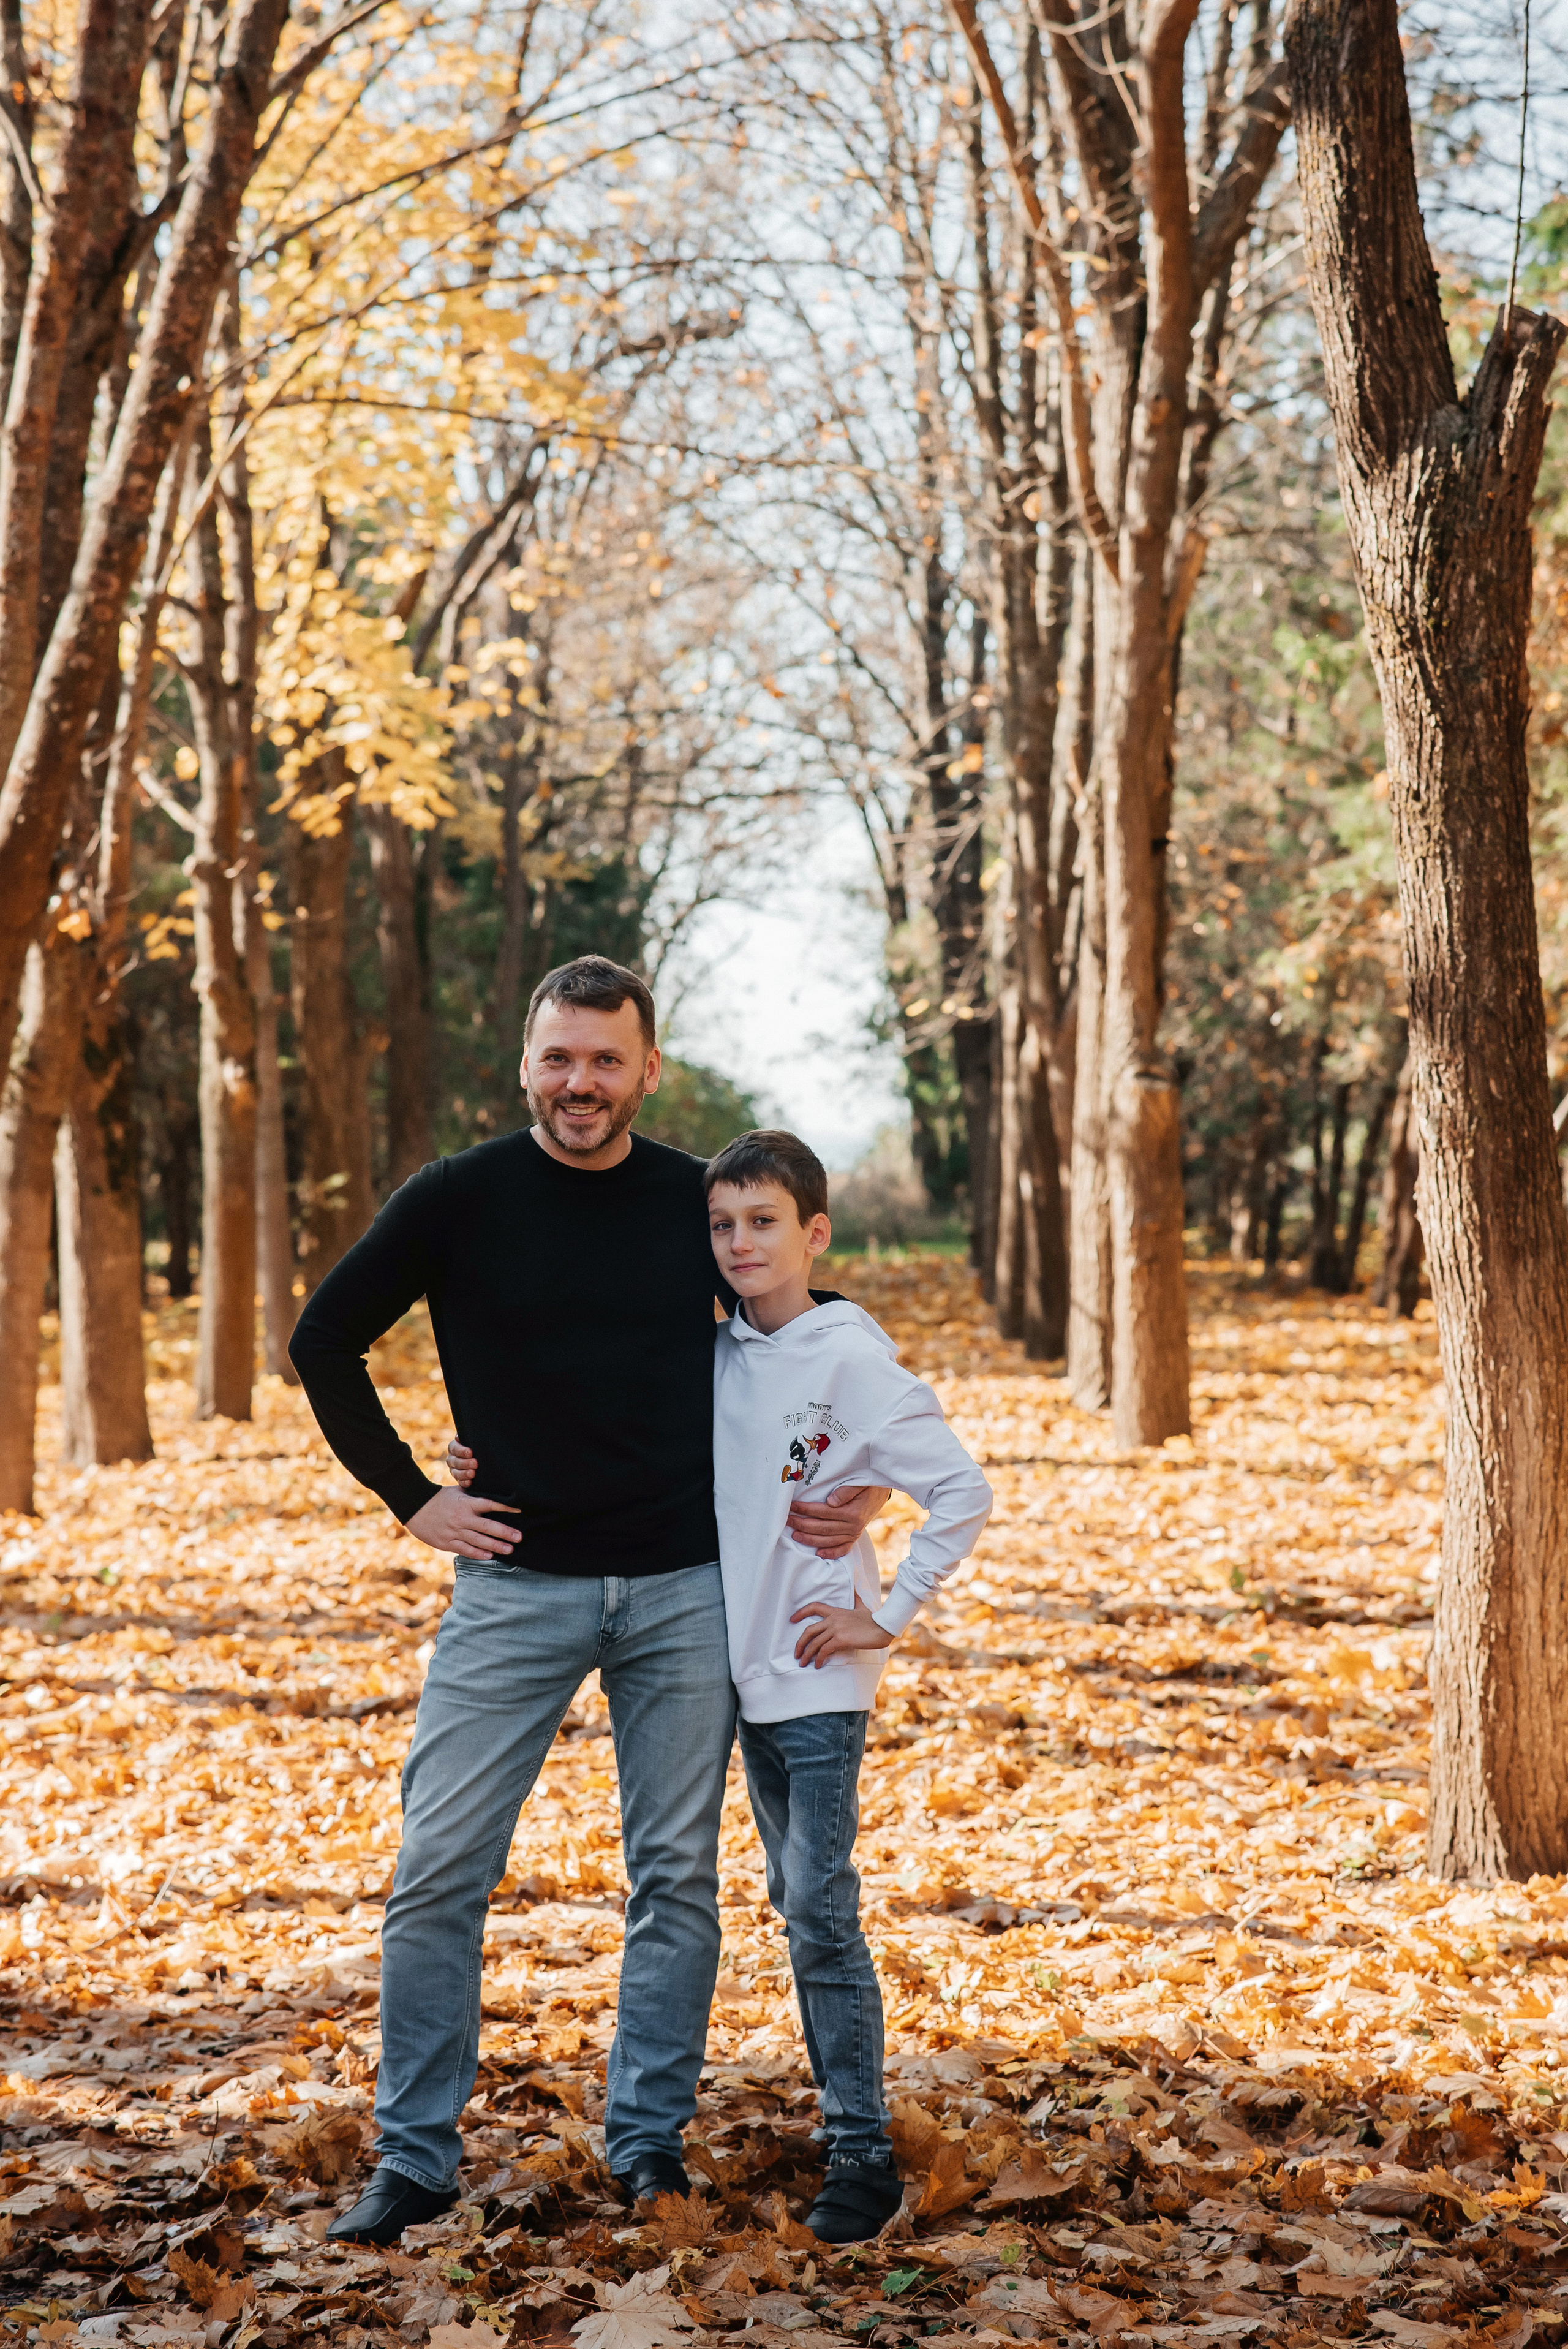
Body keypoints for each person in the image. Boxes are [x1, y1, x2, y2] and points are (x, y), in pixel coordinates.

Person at [287, 957, 888, 2247]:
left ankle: (645, 2146)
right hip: (511, 1586)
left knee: (674, 1879)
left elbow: (806, 1332)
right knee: (439, 1869)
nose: (581, 1084)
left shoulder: (692, 1203)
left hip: (683, 1587)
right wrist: (411, 1494)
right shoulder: (456, 1199)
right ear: (524, 1064)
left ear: (646, 1069)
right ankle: (414, 2157)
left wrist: (866, 1481)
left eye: (606, 1060)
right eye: (559, 1058)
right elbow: (323, 1340)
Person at [453, 1127, 992, 2243]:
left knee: (819, 1909)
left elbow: (962, 1492)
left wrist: (881, 1614)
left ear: (816, 1235)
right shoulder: (720, 1351)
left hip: (816, 1678)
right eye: (722, 1224)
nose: (740, 1243)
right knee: (794, 1904)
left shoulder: (850, 1356)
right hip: (734, 1669)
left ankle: (862, 2152)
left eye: (764, 1223)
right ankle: (821, 2129)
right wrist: (475, 1456)